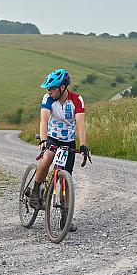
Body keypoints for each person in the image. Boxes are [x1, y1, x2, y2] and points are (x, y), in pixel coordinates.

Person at [29, 69, 90, 232]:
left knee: (66, 180)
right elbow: (44, 120)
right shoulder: (48, 99)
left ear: (63, 87)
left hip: (68, 141)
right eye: (48, 89)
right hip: (52, 137)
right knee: (48, 157)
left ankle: (66, 218)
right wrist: (43, 140)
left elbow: (80, 124)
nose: (49, 91)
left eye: (52, 88)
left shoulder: (76, 99)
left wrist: (83, 144)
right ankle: (35, 191)